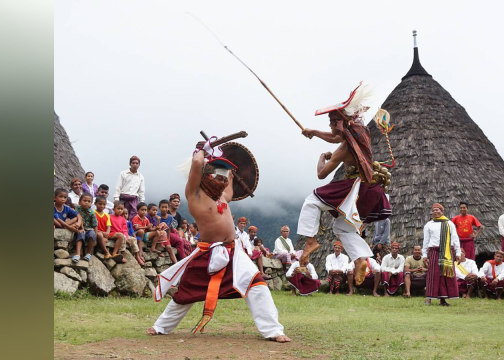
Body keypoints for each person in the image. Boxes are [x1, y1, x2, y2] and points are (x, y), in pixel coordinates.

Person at [147, 137, 290, 342]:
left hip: (234, 253)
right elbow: (197, 165)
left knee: (257, 284)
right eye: (218, 176)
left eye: (224, 178)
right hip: (207, 253)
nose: (222, 181)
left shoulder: (223, 196)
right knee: (186, 291)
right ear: (206, 177)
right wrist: (203, 151)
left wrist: (226, 161)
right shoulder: (194, 195)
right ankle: (161, 326)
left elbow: (231, 176)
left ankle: (273, 330)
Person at [297, 83, 391, 287]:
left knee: (312, 200)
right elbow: (334, 136)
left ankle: (310, 240)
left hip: (357, 187)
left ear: (343, 123)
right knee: (343, 227)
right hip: (372, 189)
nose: (331, 125)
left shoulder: (345, 148)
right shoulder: (360, 133)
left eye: (333, 121)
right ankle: (360, 260)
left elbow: (322, 174)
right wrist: (314, 132)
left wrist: (322, 157)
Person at [422, 203, 460, 306]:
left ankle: (443, 299)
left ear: (442, 211)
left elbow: (455, 238)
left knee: (444, 275)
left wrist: (458, 252)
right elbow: (426, 240)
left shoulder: (449, 223)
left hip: (447, 251)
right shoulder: (429, 224)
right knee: (432, 275)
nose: (435, 212)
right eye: (433, 210)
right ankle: (428, 299)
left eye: (437, 210)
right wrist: (424, 254)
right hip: (434, 251)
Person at [113, 155, 145, 220]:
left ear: (139, 165)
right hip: (123, 198)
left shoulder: (140, 176)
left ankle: (131, 229)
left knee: (133, 216)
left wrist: (141, 202)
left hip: (133, 200)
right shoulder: (123, 173)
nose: (135, 165)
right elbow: (118, 186)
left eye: (137, 163)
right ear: (130, 164)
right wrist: (116, 198)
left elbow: (141, 190)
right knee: (121, 214)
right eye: (133, 163)